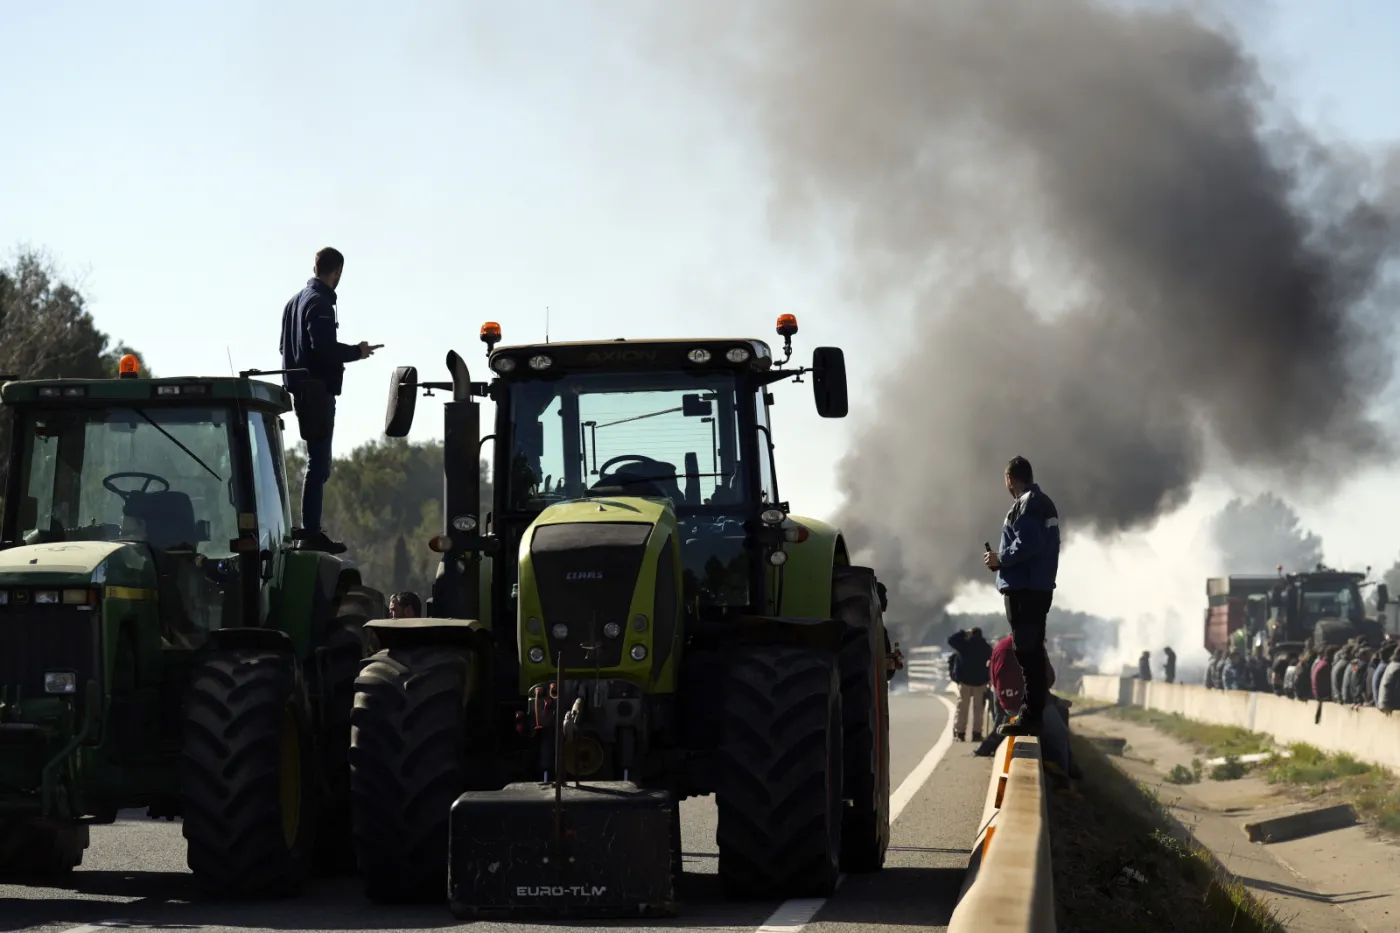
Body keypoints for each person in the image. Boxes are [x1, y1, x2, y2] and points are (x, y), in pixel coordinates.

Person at [279, 247, 383, 553]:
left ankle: (310, 528)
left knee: (318, 461)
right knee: (319, 463)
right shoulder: (320, 302)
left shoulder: (292, 303)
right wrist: (357, 352)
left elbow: (283, 346)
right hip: (316, 391)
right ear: (335, 271)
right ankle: (311, 530)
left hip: (300, 388)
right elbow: (323, 348)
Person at [983, 456, 1061, 737]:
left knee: (1027, 652)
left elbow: (1027, 544)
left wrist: (999, 559)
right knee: (1030, 651)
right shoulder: (1039, 502)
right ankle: (1032, 714)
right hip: (1035, 586)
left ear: (1010, 479)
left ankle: (1031, 715)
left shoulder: (1028, 503)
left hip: (1026, 588)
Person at [946, 627, 993, 741]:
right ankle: (976, 733)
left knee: (962, 708)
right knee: (978, 709)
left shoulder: (964, 645)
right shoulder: (986, 647)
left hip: (965, 681)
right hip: (980, 682)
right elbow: (991, 663)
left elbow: (951, 640)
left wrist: (963, 632)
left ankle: (960, 732)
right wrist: (989, 679)